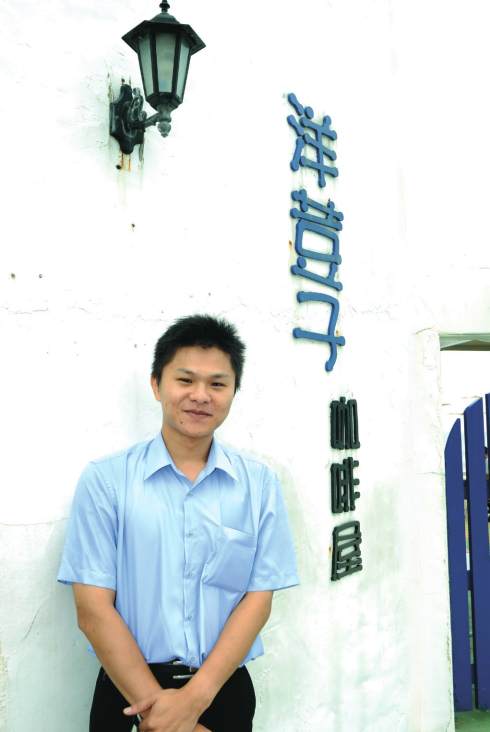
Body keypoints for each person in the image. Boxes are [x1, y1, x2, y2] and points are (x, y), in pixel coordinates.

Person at [57, 314, 299, 732]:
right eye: (185, 380)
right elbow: (92, 608)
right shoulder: (107, 481)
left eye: (217, 384)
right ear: (157, 385)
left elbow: (258, 600)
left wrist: (192, 703)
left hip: (221, 691)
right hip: (127, 693)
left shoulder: (259, 486)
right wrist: (158, 713)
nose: (200, 396)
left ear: (234, 392)